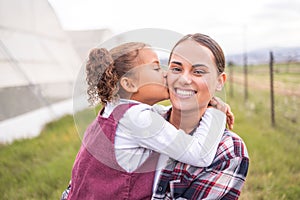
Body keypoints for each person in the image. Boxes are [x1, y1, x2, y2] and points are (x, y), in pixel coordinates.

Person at [63, 42, 232, 200]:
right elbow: (200, 154)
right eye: (156, 68)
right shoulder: (138, 119)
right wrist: (216, 114)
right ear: (129, 84)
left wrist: (197, 106)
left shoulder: (111, 113)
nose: (166, 73)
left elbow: (154, 117)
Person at [152, 33, 249, 199]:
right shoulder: (145, 121)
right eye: (176, 69)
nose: (184, 79)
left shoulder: (229, 151)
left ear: (219, 81)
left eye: (198, 72)